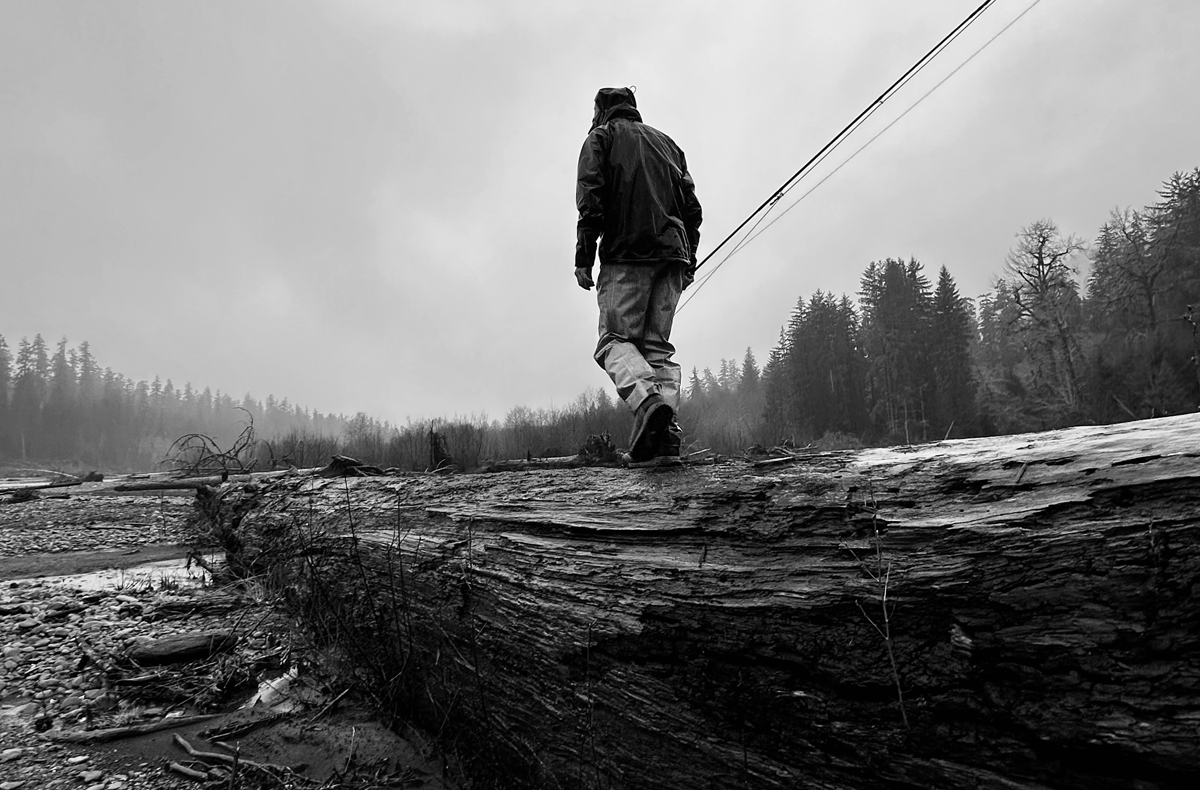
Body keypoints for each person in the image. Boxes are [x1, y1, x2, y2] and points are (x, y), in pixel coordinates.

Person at [575, 87, 702, 465]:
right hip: (673, 257)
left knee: (613, 341)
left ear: (601, 110)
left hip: (626, 254)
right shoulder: (668, 145)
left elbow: (590, 199)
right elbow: (692, 210)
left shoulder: (600, 138)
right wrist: (689, 258)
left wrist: (584, 257)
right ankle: (664, 443)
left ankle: (648, 403)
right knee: (656, 348)